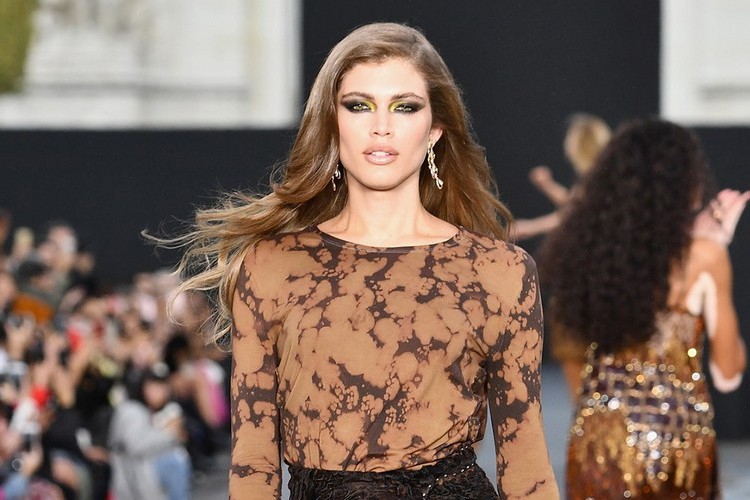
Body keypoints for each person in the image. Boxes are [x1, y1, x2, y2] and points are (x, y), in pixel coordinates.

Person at [158, 21, 559, 500]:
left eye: (404, 107)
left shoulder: (499, 272)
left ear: (434, 130)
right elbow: (253, 464)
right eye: (359, 105)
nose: (381, 126)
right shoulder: (271, 267)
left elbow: (526, 465)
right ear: (332, 122)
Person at [537, 117, 748, 499]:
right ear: (687, 184)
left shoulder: (583, 252)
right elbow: (728, 372)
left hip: (598, 445)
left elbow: (571, 360)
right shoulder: (704, 256)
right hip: (677, 448)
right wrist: (718, 245)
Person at [512, 113, 611, 241]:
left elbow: (575, 212)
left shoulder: (597, 178)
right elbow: (575, 202)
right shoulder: (600, 175)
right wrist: (547, 185)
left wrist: (531, 227)